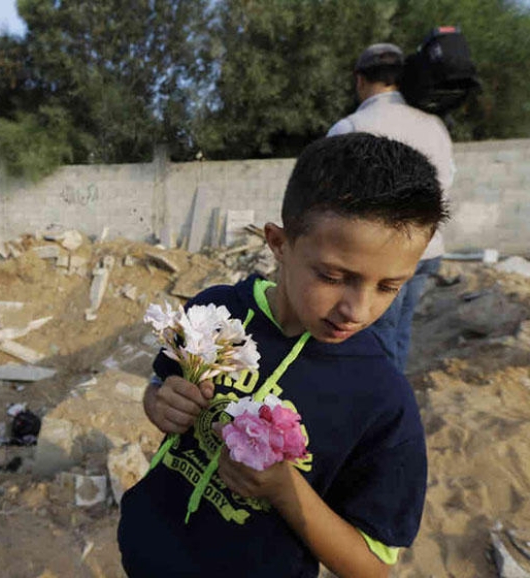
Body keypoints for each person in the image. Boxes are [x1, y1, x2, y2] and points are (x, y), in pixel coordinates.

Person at [118, 133, 447, 577]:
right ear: (278, 243)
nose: (359, 309)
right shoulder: (215, 312)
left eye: (389, 287)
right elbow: (158, 388)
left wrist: (283, 488)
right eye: (333, 276)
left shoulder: (382, 401)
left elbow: (372, 567)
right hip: (146, 552)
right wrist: (160, 403)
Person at [327, 43, 455, 372]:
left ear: (359, 80)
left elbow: (330, 200)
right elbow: (447, 182)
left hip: (378, 260)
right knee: (398, 332)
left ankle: (382, 405)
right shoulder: (433, 125)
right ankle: (394, 394)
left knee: (375, 338)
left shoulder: (351, 127)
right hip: (425, 250)